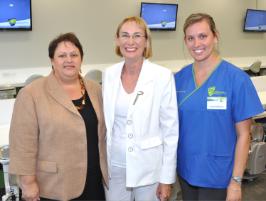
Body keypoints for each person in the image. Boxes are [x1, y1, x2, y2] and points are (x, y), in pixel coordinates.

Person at [174, 13, 264, 201]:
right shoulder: (179, 79)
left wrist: (236, 182)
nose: (197, 44)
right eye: (191, 38)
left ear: (215, 36)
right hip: (186, 172)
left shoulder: (236, 79)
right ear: (185, 41)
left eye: (203, 36)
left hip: (219, 176)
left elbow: (243, 136)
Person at [9, 32, 108, 201]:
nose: (69, 60)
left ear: (81, 59)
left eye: (74, 55)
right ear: (52, 60)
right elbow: (22, 143)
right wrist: (28, 182)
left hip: (93, 182)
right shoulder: (32, 93)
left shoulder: (95, 89)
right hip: (54, 186)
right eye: (62, 55)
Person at [102, 16, 179, 201]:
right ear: (117, 40)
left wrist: (167, 179)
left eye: (137, 36)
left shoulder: (162, 76)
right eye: (125, 35)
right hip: (115, 167)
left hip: (149, 169)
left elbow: (170, 131)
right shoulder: (109, 74)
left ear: (146, 41)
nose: (130, 42)